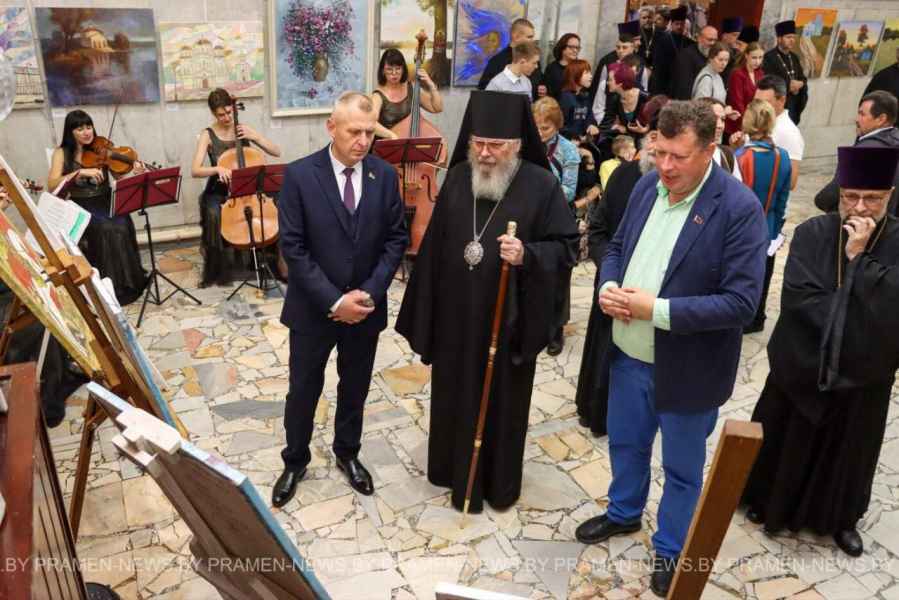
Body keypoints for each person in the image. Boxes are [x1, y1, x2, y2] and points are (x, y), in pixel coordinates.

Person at [573, 100, 767, 597]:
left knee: (681, 469)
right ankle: (624, 512)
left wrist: (654, 309)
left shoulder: (740, 209)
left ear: (709, 149)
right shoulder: (646, 187)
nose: (665, 166)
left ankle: (672, 548)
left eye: (678, 156)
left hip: (689, 369)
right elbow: (617, 246)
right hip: (627, 355)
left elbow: (741, 303)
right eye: (659, 152)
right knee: (625, 443)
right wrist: (608, 284)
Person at [395, 91, 579, 514]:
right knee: (453, 396)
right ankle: (449, 470)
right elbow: (435, 247)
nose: (484, 153)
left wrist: (527, 254)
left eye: (495, 146)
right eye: (478, 143)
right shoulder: (459, 177)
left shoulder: (541, 184)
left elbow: (566, 247)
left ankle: (496, 483)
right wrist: (427, 315)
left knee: (501, 404)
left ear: (516, 145)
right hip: (457, 321)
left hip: (507, 322)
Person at [742, 145, 899, 558]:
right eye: (851, 196)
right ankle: (767, 501)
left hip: (864, 377)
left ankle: (840, 519)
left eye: (872, 199)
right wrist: (855, 313)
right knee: (786, 440)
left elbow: (893, 309)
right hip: (804, 364)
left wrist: (859, 260)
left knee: (849, 451)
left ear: (889, 195)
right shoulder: (813, 232)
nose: (859, 208)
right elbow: (800, 299)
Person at [271, 92, 407, 508]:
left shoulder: (384, 176)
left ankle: (348, 452)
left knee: (355, 387)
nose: (363, 141)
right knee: (303, 389)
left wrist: (369, 292)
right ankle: (295, 460)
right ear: (331, 127)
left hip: (365, 309)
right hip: (314, 310)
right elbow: (293, 248)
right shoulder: (299, 176)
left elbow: (395, 239)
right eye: (354, 132)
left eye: (369, 132)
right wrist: (334, 301)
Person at [575, 95, 670, 438]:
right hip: (613, 286)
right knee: (603, 356)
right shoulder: (624, 176)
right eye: (654, 140)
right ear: (645, 141)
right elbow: (599, 231)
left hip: (650, 297)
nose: (659, 152)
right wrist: (610, 277)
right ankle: (596, 412)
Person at [47, 110, 147, 305]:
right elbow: (51, 184)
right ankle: (109, 285)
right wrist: (78, 173)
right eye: (80, 129)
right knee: (104, 227)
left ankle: (128, 282)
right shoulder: (61, 153)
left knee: (122, 223)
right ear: (70, 131)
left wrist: (134, 171)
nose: (86, 132)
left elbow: (119, 177)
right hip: (80, 203)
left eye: (89, 127)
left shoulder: (101, 147)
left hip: (106, 198)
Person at [190, 89, 282, 288]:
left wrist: (256, 136)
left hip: (247, 188)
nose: (226, 118)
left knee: (278, 202)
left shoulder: (242, 129)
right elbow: (195, 170)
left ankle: (271, 260)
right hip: (220, 190)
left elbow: (276, 152)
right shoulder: (207, 134)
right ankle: (217, 269)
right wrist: (217, 169)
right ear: (213, 113)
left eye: (229, 112)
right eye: (221, 115)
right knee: (213, 213)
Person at [733, 99, 792, 333]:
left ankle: (741, 318)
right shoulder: (783, 156)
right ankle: (757, 317)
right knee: (764, 273)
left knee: (741, 275)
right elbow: (783, 198)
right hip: (769, 226)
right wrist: (775, 229)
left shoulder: (740, 156)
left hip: (742, 229)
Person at [533, 97, 582, 356]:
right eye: (537, 127)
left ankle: (555, 331)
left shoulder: (568, 150)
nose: (540, 132)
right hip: (531, 218)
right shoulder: (527, 145)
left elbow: (570, 190)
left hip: (558, 219)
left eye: (546, 128)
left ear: (557, 126)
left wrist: (542, 193)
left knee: (558, 277)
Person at [816, 91, 899, 217]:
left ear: (881, 119)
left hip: (860, 221)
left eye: (862, 114)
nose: (856, 119)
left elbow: (829, 196)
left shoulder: (865, 151)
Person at [739, 76, 804, 191]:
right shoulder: (757, 121)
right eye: (756, 101)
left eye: (765, 102)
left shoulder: (789, 133)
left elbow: (791, 182)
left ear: (782, 100)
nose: (758, 107)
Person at [371, 48, 443, 140]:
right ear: (383, 71)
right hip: (388, 144)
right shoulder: (377, 96)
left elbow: (436, 108)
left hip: (408, 142)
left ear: (403, 69)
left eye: (398, 69)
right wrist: (391, 135)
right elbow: (371, 122)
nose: (394, 73)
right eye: (389, 69)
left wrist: (431, 85)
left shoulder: (411, 88)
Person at [591, 27, 649, 127]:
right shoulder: (607, 62)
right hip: (609, 119)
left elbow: (644, 88)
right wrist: (607, 124)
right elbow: (599, 90)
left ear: (632, 48)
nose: (620, 51)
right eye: (618, 47)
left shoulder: (641, 65)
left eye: (624, 47)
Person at [477, 18, 545, 100]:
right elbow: (484, 92)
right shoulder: (497, 61)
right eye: (529, 37)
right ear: (516, 37)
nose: (532, 41)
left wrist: (541, 88)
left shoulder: (532, 63)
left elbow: (539, 80)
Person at [762, 20, 808, 125]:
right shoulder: (769, 57)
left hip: (793, 105)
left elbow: (803, 78)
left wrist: (800, 84)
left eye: (793, 37)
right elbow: (768, 81)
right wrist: (788, 85)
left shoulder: (794, 57)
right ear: (779, 39)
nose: (792, 40)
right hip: (777, 106)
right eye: (788, 37)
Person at [648, 6, 694, 97]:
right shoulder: (661, 41)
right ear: (671, 24)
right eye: (677, 24)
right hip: (663, 84)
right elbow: (657, 67)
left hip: (680, 85)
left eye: (682, 24)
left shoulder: (689, 43)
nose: (679, 27)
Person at [601, 63, 650, 149]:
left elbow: (658, 127)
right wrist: (615, 127)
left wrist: (645, 130)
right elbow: (605, 124)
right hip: (625, 145)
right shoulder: (615, 99)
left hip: (645, 144)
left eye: (610, 80)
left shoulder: (646, 99)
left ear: (620, 83)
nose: (607, 83)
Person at [696, 97, 742, 181]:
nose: (720, 125)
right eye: (714, 118)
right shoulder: (685, 155)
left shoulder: (727, 155)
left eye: (723, 119)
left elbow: (737, 187)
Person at [726, 42, 764, 137]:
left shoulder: (760, 73)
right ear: (746, 56)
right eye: (754, 58)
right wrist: (749, 123)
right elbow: (737, 102)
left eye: (760, 57)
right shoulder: (737, 74)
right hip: (738, 124)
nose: (757, 62)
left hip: (754, 123)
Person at [670, 26, 719, 100]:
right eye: (710, 40)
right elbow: (683, 88)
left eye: (715, 40)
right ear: (699, 38)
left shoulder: (712, 56)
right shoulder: (686, 56)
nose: (713, 43)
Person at [559, 60, 599, 143]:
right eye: (586, 73)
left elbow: (590, 118)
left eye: (590, 73)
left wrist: (592, 126)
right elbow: (561, 126)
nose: (591, 76)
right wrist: (575, 138)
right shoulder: (566, 98)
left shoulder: (584, 96)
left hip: (583, 141)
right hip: (568, 143)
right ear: (576, 74)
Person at [543, 33, 581, 99]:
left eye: (577, 48)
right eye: (571, 47)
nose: (575, 50)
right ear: (562, 48)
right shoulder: (552, 68)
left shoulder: (581, 67)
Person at [719, 16, 743, 83]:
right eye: (735, 35)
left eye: (739, 36)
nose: (737, 39)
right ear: (725, 36)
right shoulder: (716, 50)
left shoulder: (736, 52)